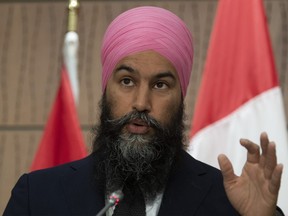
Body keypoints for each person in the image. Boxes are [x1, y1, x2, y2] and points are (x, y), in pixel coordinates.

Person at [4, 6, 284, 216]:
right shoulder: (37, 197)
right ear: (106, 88)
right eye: (127, 81)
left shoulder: (228, 200)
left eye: (160, 85)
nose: (141, 102)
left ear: (181, 97)